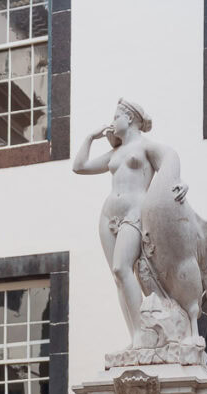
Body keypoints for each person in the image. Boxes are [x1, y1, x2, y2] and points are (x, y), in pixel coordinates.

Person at [72, 98, 187, 346]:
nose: (112, 123)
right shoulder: (114, 153)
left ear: (130, 118)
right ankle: (135, 334)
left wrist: (178, 183)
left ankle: (142, 333)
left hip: (135, 212)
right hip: (108, 215)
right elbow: (79, 166)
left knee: (122, 268)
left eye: (116, 117)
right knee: (118, 278)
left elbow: (170, 158)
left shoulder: (146, 147)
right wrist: (91, 138)